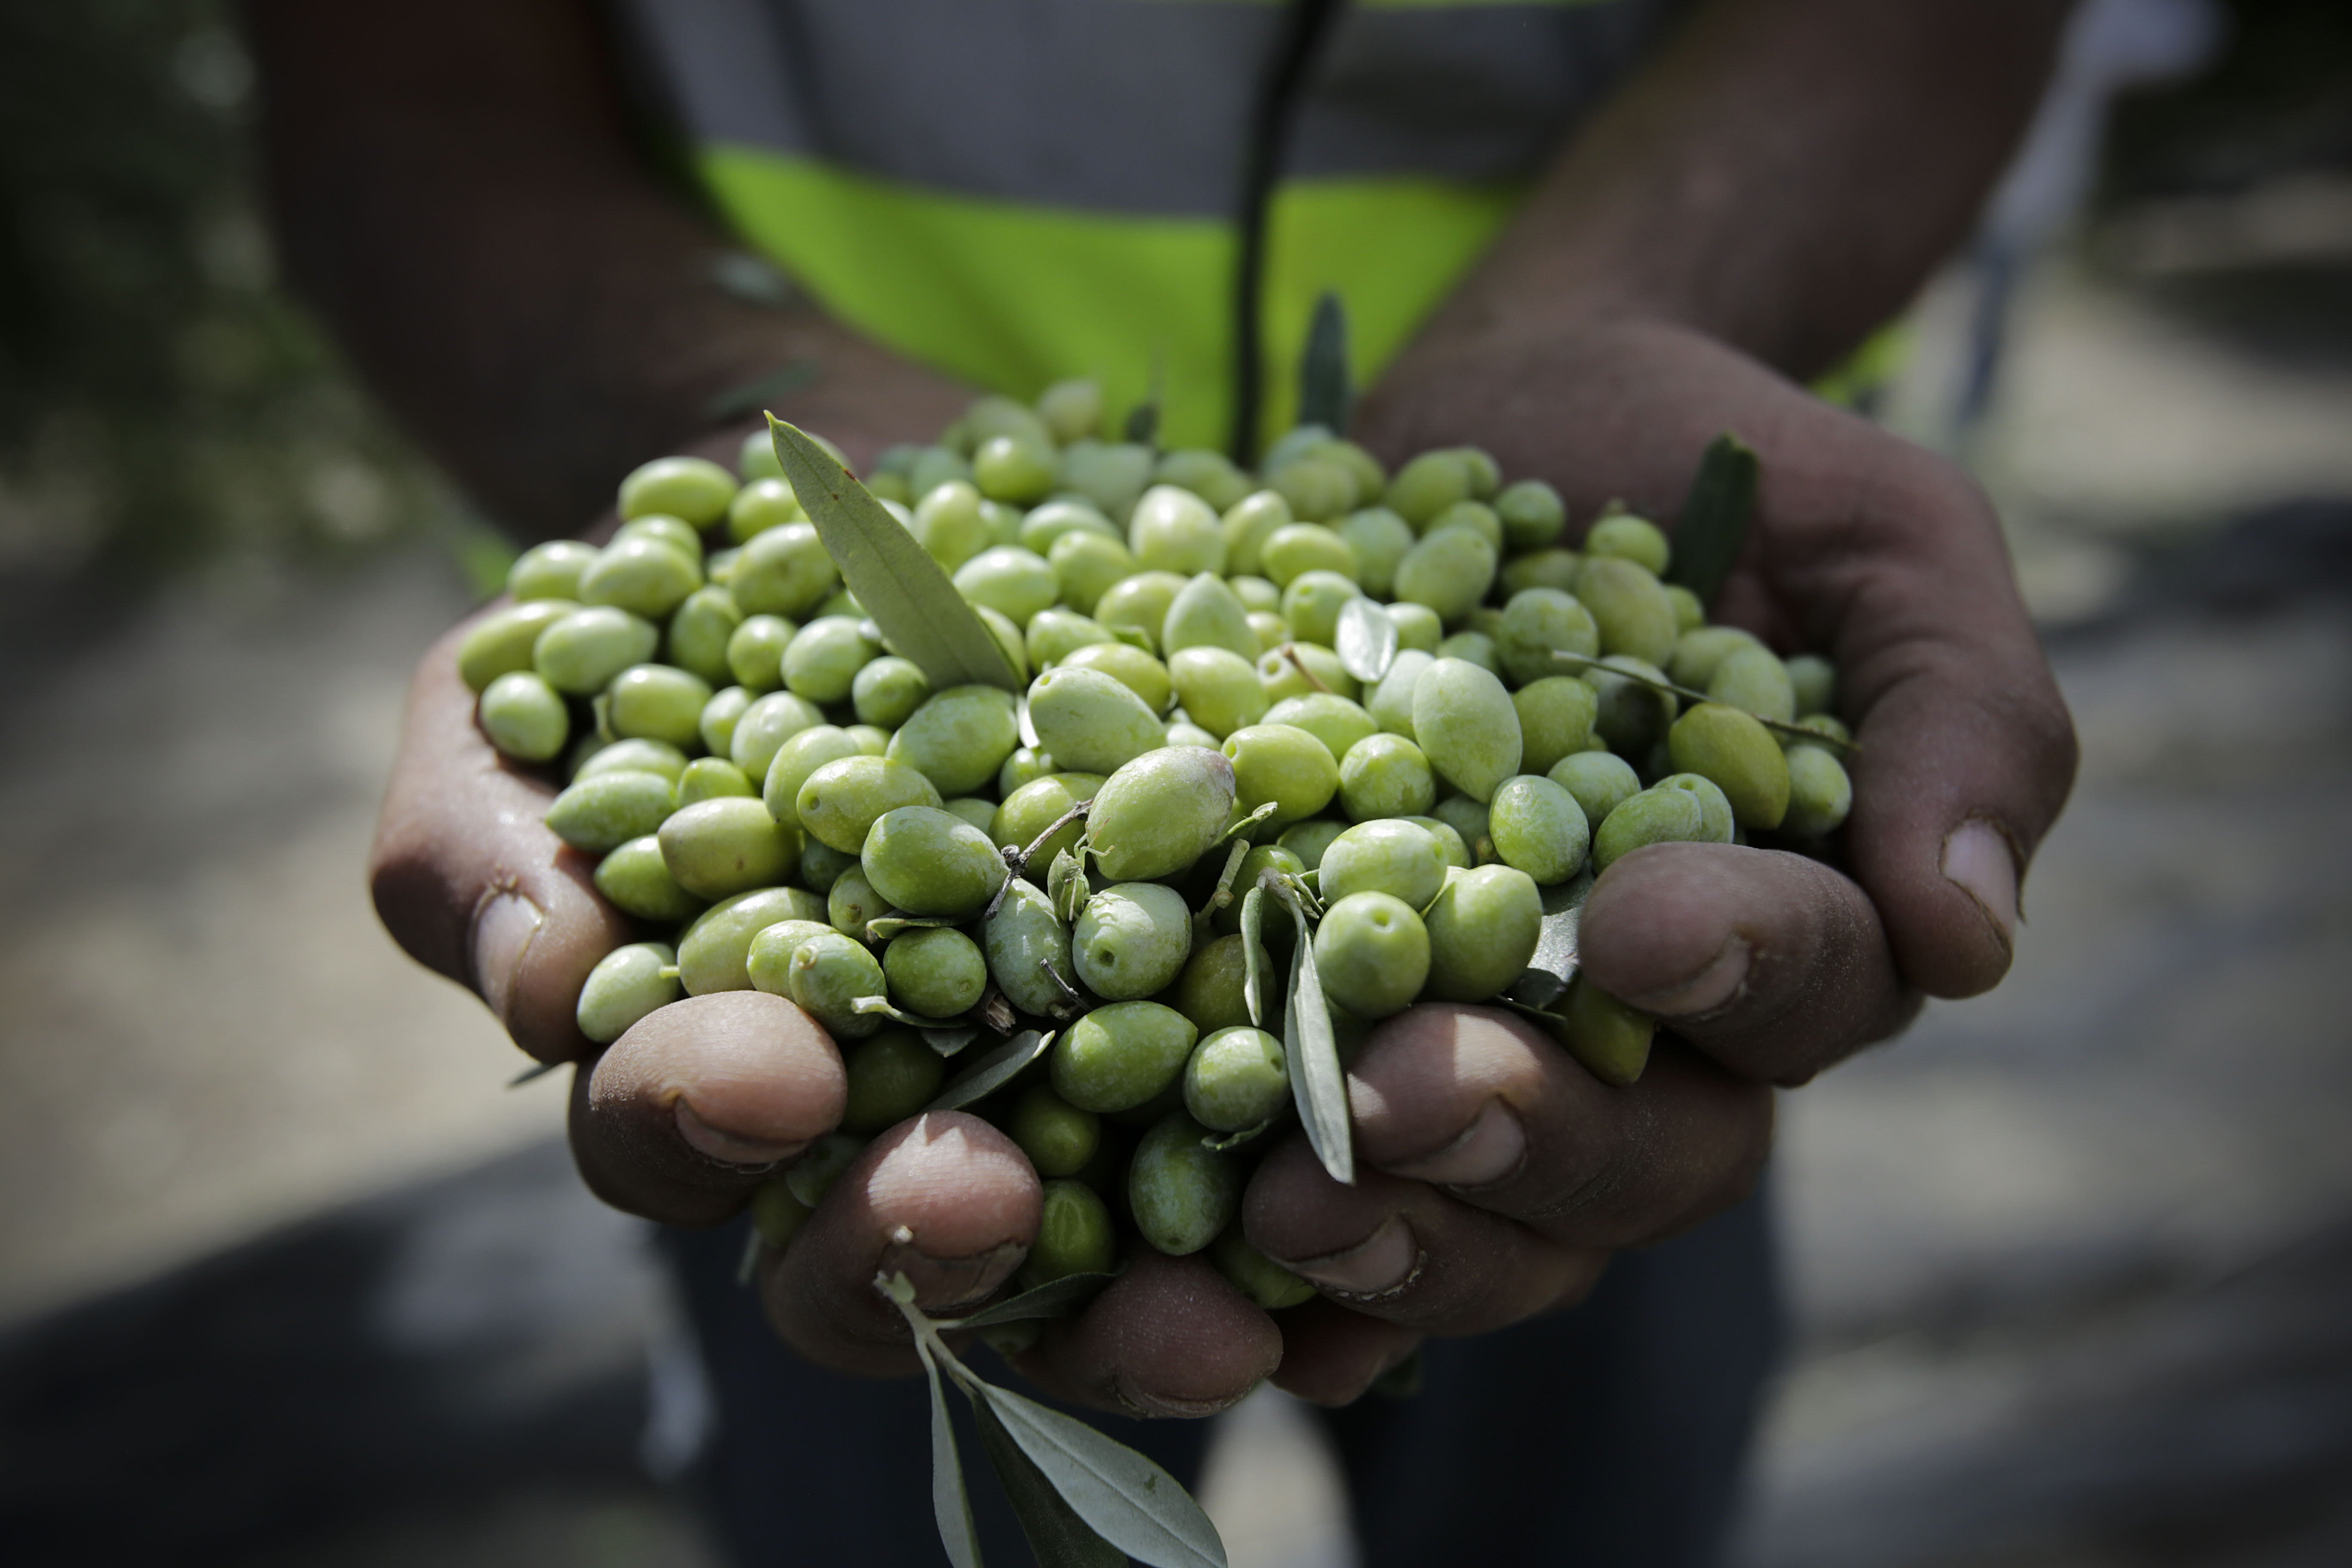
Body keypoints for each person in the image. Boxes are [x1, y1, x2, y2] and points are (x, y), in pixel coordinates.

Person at [244, 1, 2079, 1562]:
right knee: (900, 1351)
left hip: (1560, 997)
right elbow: (394, 77)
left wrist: (1639, 299)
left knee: (1582, 1416)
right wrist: (711, 391)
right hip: (894, 954)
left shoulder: (1518, 744)